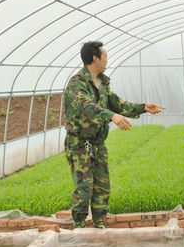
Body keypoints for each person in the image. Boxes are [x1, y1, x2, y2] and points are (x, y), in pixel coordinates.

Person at [64, 41, 165, 229]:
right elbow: (86, 106)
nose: (107, 61)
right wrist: (111, 116)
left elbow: (118, 105)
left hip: (98, 143)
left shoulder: (102, 82)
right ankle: (78, 227)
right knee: (84, 189)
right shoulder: (77, 83)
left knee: (102, 187)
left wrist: (143, 107)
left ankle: (99, 223)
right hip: (79, 144)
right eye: (105, 57)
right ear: (95, 59)